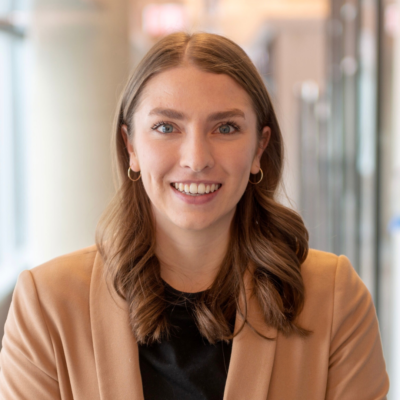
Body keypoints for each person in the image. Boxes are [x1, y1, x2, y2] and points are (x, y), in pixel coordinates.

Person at [0, 32, 389, 400]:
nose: (196, 159)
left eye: (225, 128)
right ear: (130, 145)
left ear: (259, 148)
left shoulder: (334, 299)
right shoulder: (47, 303)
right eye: (166, 127)